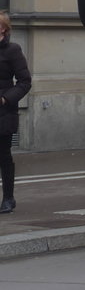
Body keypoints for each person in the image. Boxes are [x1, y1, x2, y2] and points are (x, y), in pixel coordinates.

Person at [0, 11, 32, 214]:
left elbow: (25, 82)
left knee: (3, 156)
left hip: (3, 113)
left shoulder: (12, 50)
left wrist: (5, 98)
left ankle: (8, 198)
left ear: (3, 28)